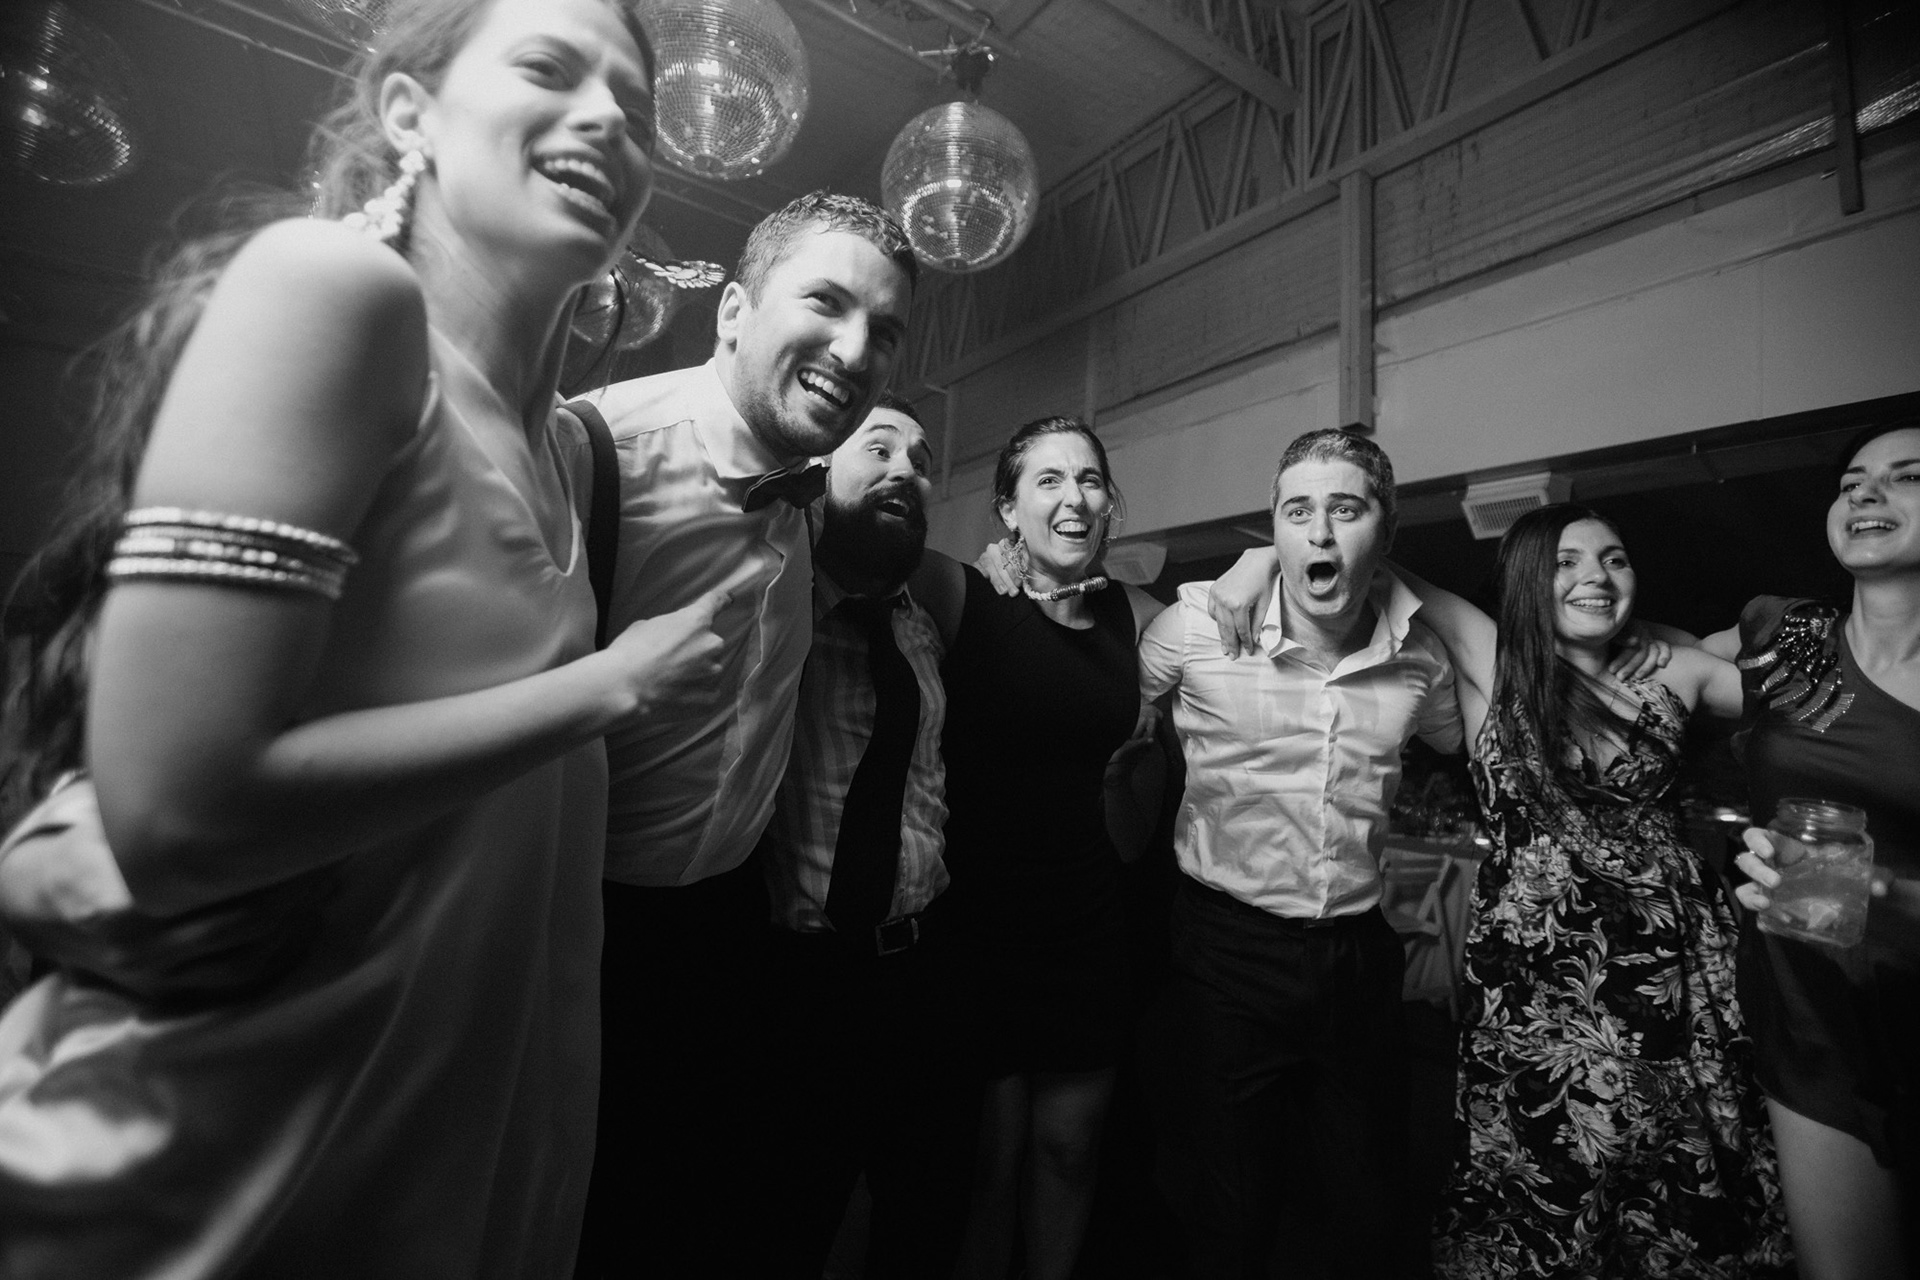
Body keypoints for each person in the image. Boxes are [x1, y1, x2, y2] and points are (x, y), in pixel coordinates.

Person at [0, 0, 730, 1273]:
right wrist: (605, 688)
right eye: (549, 67)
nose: (608, 119)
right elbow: (179, 813)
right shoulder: (332, 290)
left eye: (636, 106)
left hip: (442, 1147)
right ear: (410, 111)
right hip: (231, 1157)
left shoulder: (564, 449)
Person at [573, 191, 916, 1277]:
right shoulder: (595, 450)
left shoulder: (816, 497)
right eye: (825, 302)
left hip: (725, 934)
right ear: (732, 311)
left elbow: (920, 561)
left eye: (885, 330)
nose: (855, 350)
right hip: (571, 925)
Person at [1380, 505, 1789, 1277]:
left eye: (1614, 560)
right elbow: (1377, 565)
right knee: (1551, 1180)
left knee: (1679, 1177)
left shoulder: (1677, 670)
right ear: (1527, 579)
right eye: (1566, 562)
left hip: (1676, 974)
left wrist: (1677, 628)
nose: (1595, 576)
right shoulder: (1493, 658)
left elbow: (1817, 678)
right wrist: (1250, 569)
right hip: (1537, 988)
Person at [1141, 426, 1462, 1280]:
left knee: (1367, 1205)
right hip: (1226, 950)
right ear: (1273, 529)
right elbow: (1106, 693)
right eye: (1297, 513)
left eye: (1346, 511)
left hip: (1359, 956)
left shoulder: (1420, 660)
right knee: (1231, 1207)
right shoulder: (1196, 629)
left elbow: (1464, 731)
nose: (1319, 533)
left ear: (1386, 532)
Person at [908, 415, 1164, 1280]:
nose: (1073, 498)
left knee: (1070, 1147)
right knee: (988, 1160)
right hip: (979, 928)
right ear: (1008, 510)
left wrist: (1247, 568)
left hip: (1088, 925)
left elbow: (1232, 624)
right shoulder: (966, 597)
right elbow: (855, 540)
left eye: (1089, 479)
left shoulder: (1132, 614)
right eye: (1047, 480)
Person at [753, 393, 980, 1278]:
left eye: (921, 461)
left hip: (924, 971)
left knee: (923, 1225)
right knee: (785, 1221)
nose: (905, 471)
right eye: (878, 448)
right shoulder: (774, 608)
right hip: (798, 981)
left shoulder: (929, 624)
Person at [1710, 421, 1920, 1280]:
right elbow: (1650, 665)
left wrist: (1886, 891)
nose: (1866, 492)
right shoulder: (1788, 635)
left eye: (1908, 476)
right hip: (1810, 1012)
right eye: (1852, 481)